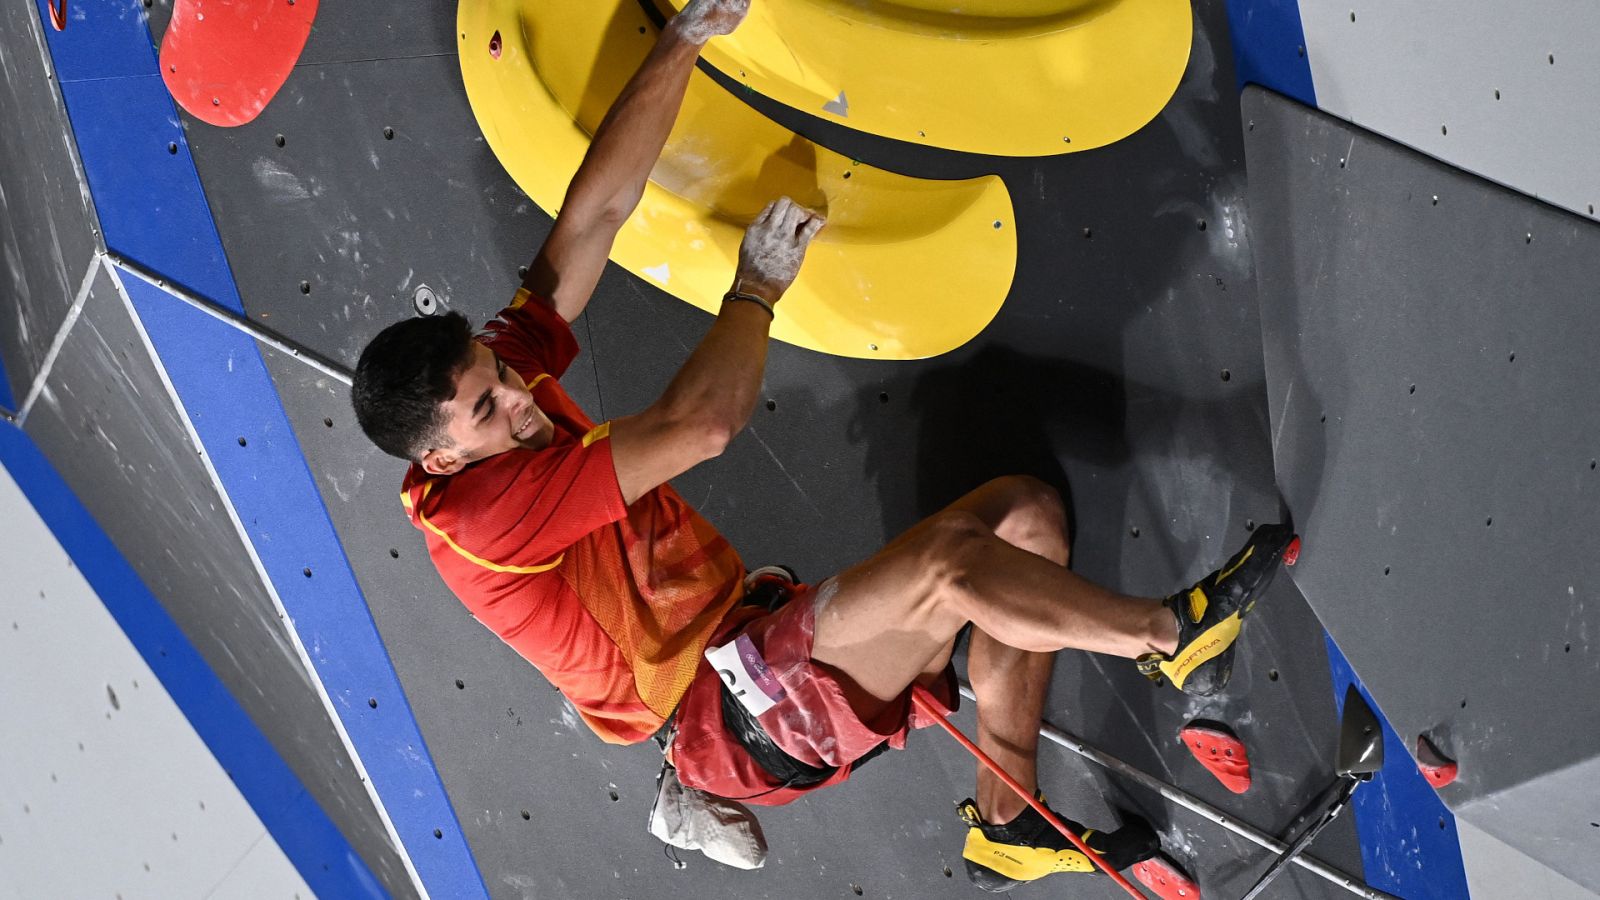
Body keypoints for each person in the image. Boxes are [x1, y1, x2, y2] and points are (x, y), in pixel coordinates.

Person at [351, 0, 1297, 891]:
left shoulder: (492, 390)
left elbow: (593, 216)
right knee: (951, 570)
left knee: (1026, 519)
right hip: (728, 717)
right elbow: (699, 427)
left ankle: (1007, 824)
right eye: (488, 408)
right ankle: (1169, 637)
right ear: (442, 459)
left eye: (499, 372)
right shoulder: (486, 516)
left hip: (746, 643)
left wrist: (685, 39)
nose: (519, 397)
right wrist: (756, 289)